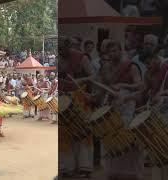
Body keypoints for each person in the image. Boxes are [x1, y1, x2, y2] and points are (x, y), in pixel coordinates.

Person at [103, 40, 143, 180]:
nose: (113, 54)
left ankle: (131, 172)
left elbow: (139, 85)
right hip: (113, 104)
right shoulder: (107, 67)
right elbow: (106, 83)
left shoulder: (131, 66)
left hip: (129, 103)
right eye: (110, 52)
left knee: (127, 135)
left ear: (121, 51)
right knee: (112, 135)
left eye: (115, 50)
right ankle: (114, 171)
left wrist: (123, 85)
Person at [59, 36, 94, 178]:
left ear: (68, 46)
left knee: (83, 133)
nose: (60, 51)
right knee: (65, 134)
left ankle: (85, 168)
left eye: (62, 48)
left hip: (81, 98)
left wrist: (81, 81)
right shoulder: (58, 59)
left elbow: (93, 77)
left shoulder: (82, 58)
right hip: (64, 99)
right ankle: (67, 167)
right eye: (58, 49)